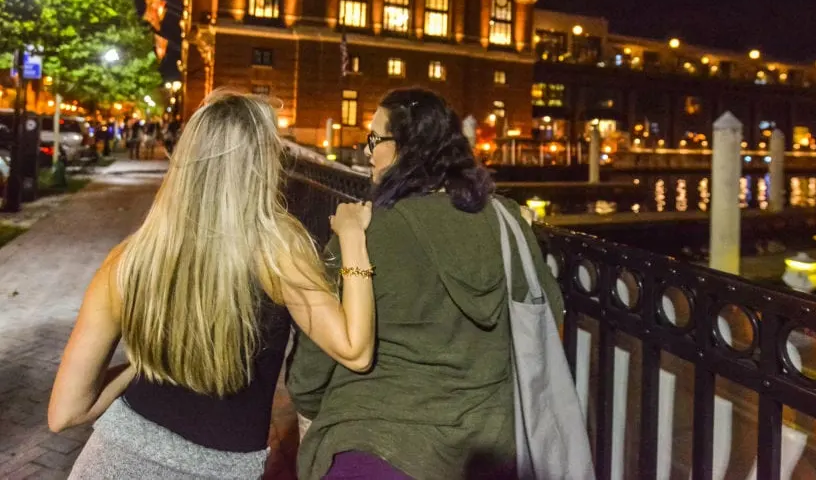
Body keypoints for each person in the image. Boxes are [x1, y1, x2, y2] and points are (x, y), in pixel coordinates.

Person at [49, 90, 377, 479]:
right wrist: (353, 237)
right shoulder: (278, 252)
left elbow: (65, 413)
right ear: (263, 163)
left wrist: (144, 363)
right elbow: (356, 350)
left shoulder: (128, 261)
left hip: (112, 460)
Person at [288, 87, 563, 480]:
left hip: (378, 440)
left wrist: (311, 404)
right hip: (488, 444)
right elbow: (547, 312)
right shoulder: (505, 222)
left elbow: (315, 361)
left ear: (405, 148)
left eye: (375, 139)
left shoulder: (364, 230)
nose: (367, 152)